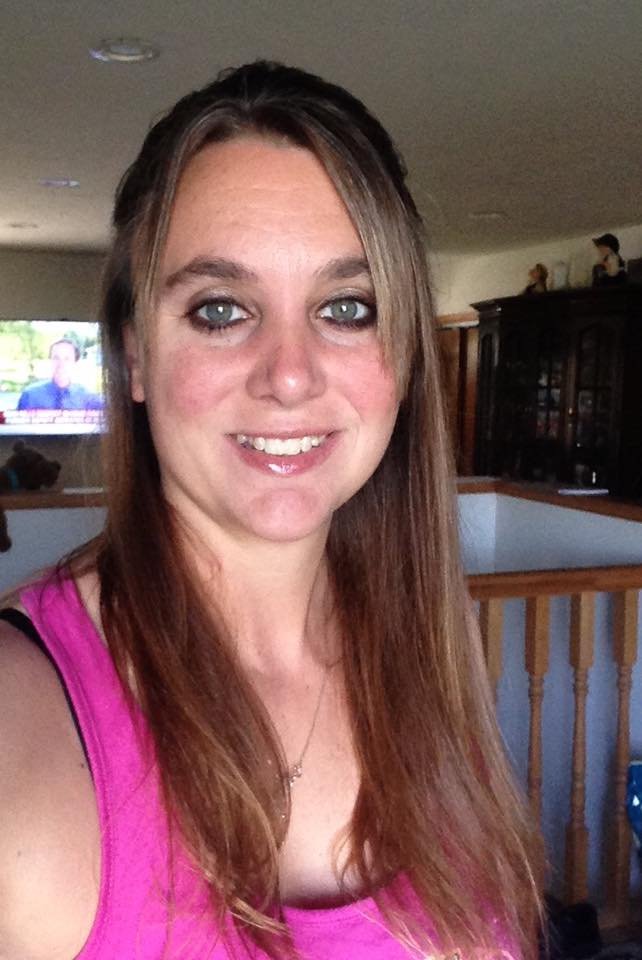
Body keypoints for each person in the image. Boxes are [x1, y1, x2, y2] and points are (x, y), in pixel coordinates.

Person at [0, 62, 543, 960]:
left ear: (405, 356)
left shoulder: (431, 656)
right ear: (135, 357)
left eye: (347, 307)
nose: (290, 375)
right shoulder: (22, 715)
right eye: (220, 310)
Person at [17, 337, 102, 410]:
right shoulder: (30, 396)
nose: (61, 364)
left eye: (67, 359)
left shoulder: (88, 398)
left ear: (75, 363)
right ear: (50, 361)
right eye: (56, 358)